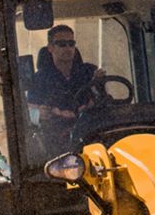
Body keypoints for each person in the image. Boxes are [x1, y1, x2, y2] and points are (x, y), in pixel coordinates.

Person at [25, 24, 102, 155]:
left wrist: (98, 85)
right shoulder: (39, 79)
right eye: (62, 44)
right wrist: (39, 114)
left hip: (91, 132)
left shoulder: (89, 72)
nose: (68, 48)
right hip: (56, 139)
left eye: (71, 44)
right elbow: (29, 110)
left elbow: (103, 100)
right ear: (50, 48)